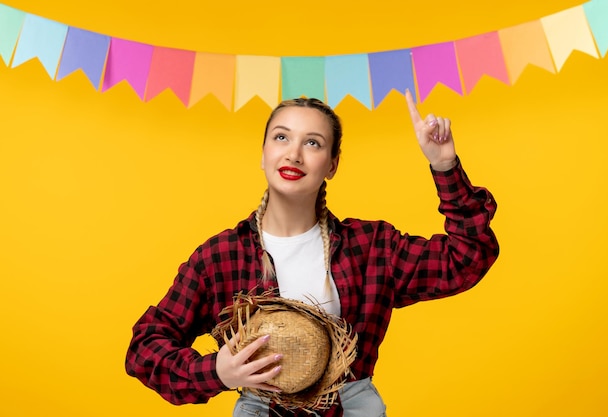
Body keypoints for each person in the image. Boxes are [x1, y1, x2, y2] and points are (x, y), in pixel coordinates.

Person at [125, 90, 499, 416]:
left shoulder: (372, 247)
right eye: (281, 137)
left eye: (313, 143)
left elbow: (466, 258)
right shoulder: (220, 257)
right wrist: (217, 373)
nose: (294, 153)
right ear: (263, 153)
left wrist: (443, 164)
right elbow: (144, 349)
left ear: (332, 164)